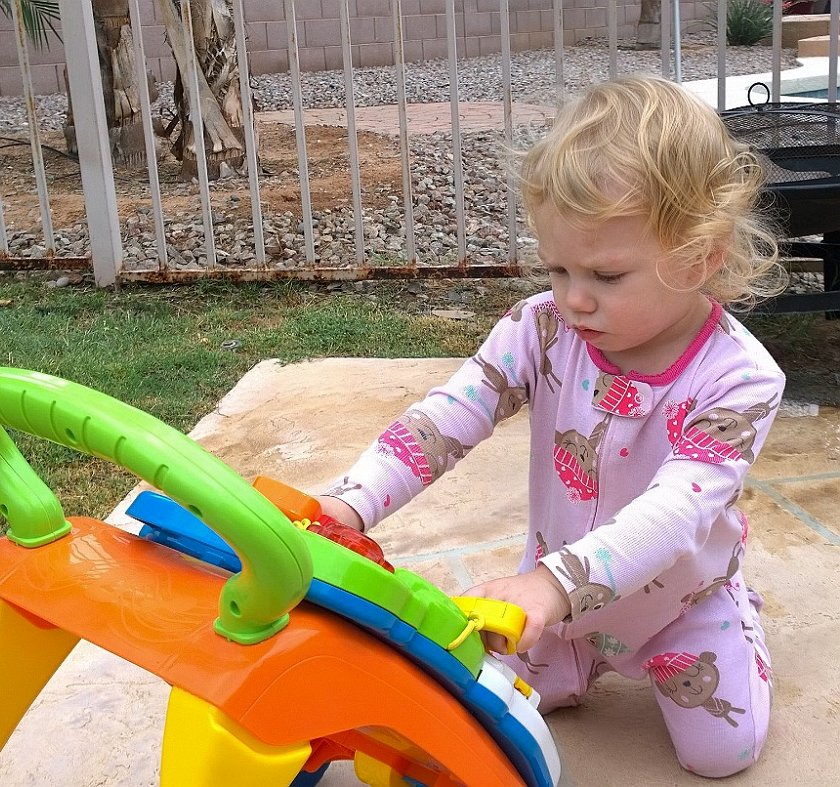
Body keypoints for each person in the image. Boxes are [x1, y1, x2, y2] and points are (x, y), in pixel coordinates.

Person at [317, 74, 786, 778]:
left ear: (701, 258)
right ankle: (577, 651)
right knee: (489, 705)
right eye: (558, 268)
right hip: (558, 598)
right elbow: (450, 415)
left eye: (606, 275)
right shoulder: (539, 328)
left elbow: (672, 515)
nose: (573, 298)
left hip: (675, 601)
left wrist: (552, 584)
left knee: (723, 753)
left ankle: (739, 618)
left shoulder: (740, 379)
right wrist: (350, 503)